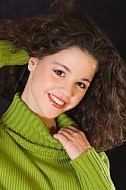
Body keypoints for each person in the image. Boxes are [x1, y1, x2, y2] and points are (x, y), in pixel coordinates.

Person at [0, 4, 126, 190]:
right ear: (33, 61)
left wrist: (86, 159)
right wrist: (27, 48)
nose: (68, 92)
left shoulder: (89, 152)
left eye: (81, 84)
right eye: (59, 72)